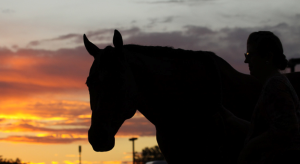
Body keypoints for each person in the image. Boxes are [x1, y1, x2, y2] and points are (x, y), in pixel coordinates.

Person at [214, 31, 300, 164]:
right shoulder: (276, 83)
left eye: (250, 55)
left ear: (268, 57)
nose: (246, 60)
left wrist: (249, 148)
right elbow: (267, 131)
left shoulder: (275, 85)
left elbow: (287, 129)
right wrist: (231, 119)